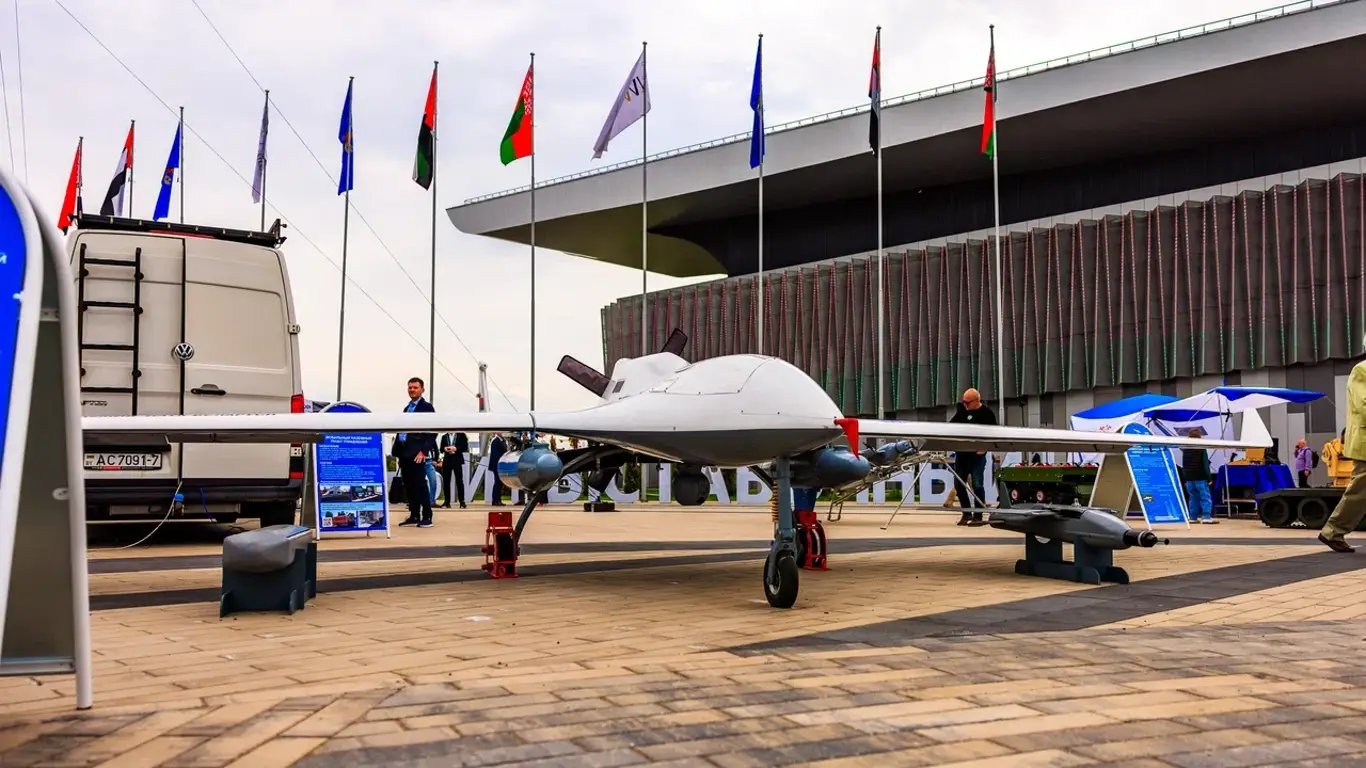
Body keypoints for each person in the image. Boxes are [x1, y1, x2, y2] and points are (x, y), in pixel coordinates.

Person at [1321, 360, 1366, 552]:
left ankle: (1333, 531)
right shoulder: (1362, 369)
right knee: (1360, 491)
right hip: (1365, 442)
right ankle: (1332, 531)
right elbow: (1363, 405)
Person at [392, 377, 437, 528]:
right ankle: (414, 514)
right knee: (409, 485)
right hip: (404, 452)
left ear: (422, 390)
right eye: (410, 387)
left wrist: (423, 451)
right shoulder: (407, 408)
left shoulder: (427, 407)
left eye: (415, 387)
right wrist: (399, 453)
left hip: (417, 453)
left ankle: (427, 516)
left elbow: (432, 432)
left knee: (420, 484)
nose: (412, 390)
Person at [949, 388, 996, 526]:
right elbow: (951, 427)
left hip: (977, 456)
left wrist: (985, 448)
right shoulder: (961, 412)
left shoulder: (987, 413)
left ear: (976, 401)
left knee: (977, 484)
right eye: (963, 402)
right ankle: (966, 513)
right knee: (959, 484)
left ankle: (978, 515)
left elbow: (994, 433)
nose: (965, 405)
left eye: (967, 402)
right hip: (962, 455)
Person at [1182, 428, 1216, 524]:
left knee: (1193, 498)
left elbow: (1184, 464)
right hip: (1201, 477)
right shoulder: (1201, 448)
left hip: (1189, 478)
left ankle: (1193, 517)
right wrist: (1209, 478)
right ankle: (1206, 517)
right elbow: (1205, 464)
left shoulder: (1185, 449)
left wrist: (1185, 478)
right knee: (1205, 497)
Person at [438, 431, 469, 509]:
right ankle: (447, 501)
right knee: (446, 482)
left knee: (459, 481)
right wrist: (444, 448)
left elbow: (465, 447)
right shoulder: (444, 436)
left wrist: (456, 448)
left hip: (457, 461)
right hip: (447, 461)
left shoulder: (461, 435)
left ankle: (462, 501)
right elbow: (441, 449)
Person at [487, 432, 507, 506]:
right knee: (497, 483)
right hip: (497, 465)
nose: (502, 433)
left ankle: (497, 500)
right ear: (497, 432)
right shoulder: (495, 441)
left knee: (499, 483)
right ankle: (496, 500)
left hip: (499, 465)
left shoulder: (502, 441)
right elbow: (495, 455)